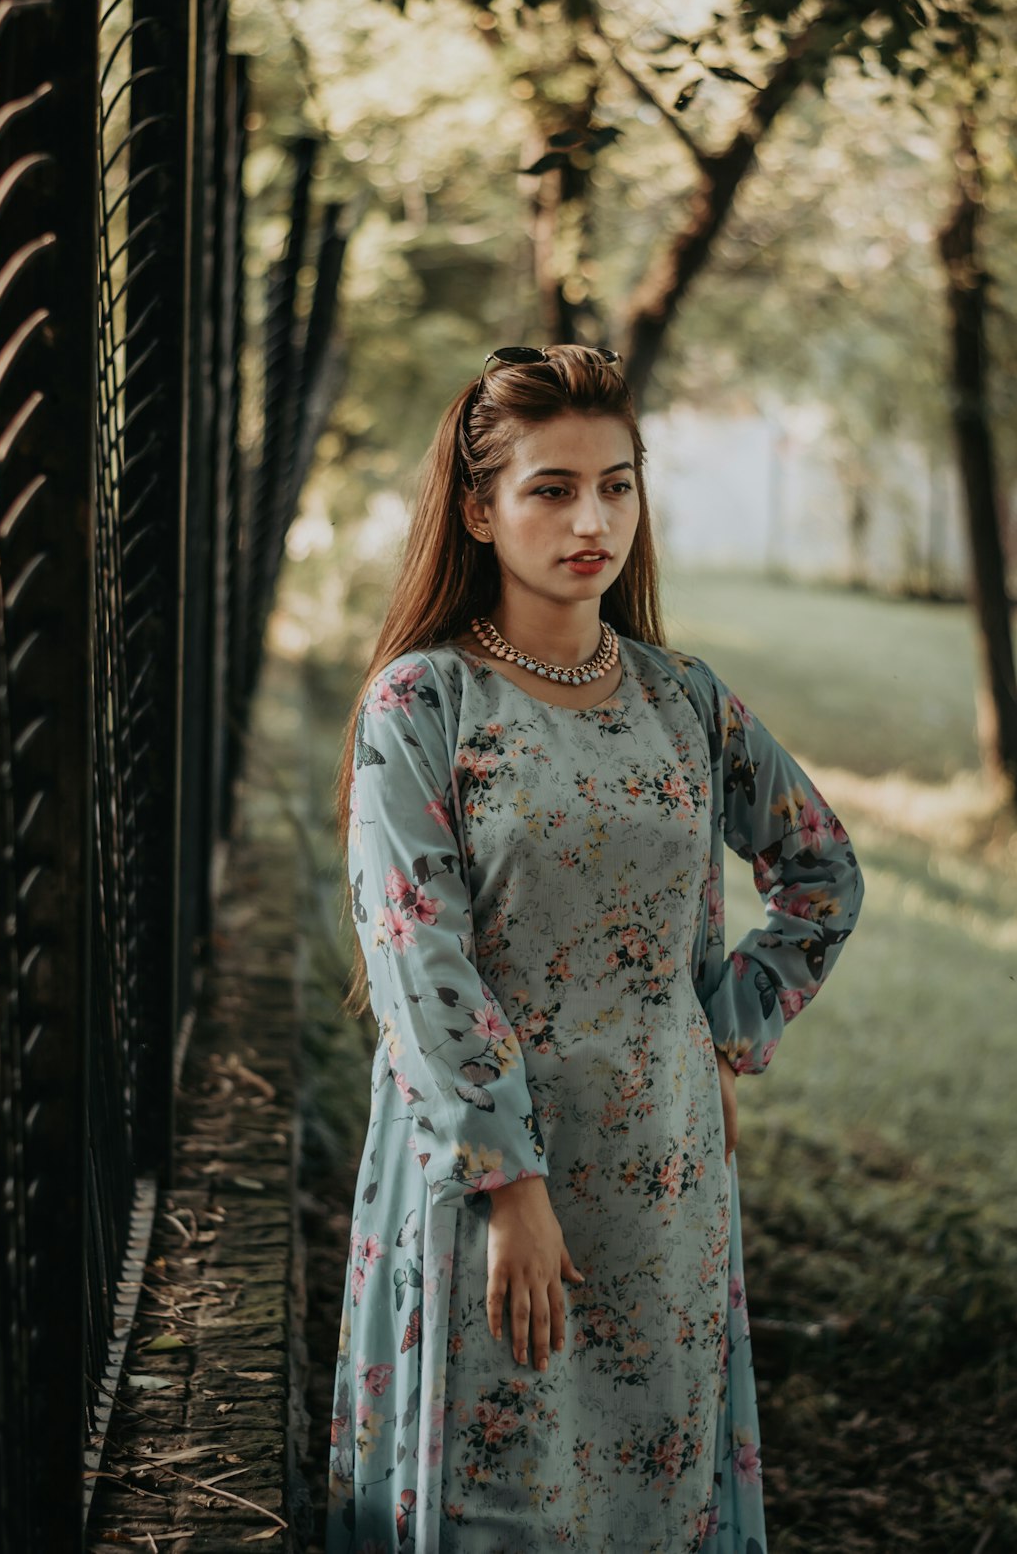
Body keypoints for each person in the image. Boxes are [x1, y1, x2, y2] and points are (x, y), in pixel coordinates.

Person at [325, 344, 865, 1554]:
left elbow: (823, 874)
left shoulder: (684, 699)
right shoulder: (425, 705)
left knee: (646, 1495)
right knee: (498, 1493)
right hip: (488, 1173)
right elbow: (421, 957)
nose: (593, 520)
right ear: (479, 506)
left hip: (663, 1171)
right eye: (552, 489)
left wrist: (723, 1037)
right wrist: (509, 1182)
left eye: (617, 485)